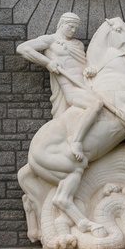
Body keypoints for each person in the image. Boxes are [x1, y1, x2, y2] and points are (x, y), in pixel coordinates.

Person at [17, 13, 103, 161]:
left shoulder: (78, 44)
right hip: (69, 89)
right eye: (70, 26)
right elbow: (23, 48)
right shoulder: (50, 40)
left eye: (75, 28)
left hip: (85, 85)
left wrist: (90, 70)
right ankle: (75, 141)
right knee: (96, 105)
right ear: (62, 24)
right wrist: (47, 63)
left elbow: (84, 65)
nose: (73, 30)